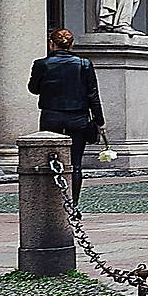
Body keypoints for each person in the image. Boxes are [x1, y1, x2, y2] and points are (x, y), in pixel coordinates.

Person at [28, 28, 104, 203]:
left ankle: (51, 201)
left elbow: (33, 89)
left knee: (49, 160)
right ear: (71, 45)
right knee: (75, 163)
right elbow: (93, 94)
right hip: (78, 117)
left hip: (51, 115)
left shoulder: (42, 64)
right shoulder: (84, 64)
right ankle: (73, 202)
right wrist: (100, 121)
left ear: (51, 44)